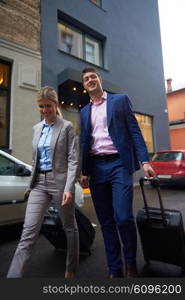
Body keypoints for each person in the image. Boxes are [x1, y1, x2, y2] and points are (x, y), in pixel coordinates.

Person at [80, 67, 155, 278]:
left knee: (123, 217)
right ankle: (115, 268)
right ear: (84, 85)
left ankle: (130, 262)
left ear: (100, 79)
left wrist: (145, 161)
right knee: (106, 222)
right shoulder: (84, 111)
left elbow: (134, 131)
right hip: (96, 168)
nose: (90, 80)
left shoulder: (119, 101)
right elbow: (85, 141)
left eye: (93, 76)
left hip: (119, 165)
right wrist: (84, 171)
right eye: (86, 79)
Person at [7, 86, 79, 278]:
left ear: (55, 104)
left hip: (60, 183)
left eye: (48, 106)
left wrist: (69, 187)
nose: (45, 110)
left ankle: (70, 268)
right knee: (28, 233)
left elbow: (73, 159)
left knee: (69, 227)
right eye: (41, 106)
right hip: (39, 183)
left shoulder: (67, 127)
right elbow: (35, 159)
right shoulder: (36, 129)